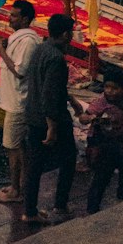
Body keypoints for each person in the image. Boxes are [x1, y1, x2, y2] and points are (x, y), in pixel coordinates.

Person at [22, 12, 85, 225]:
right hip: (51, 119)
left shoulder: (41, 49)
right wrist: (52, 126)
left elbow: (50, 86)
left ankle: (29, 210)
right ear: (66, 34)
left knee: (34, 165)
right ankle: (60, 205)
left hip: (32, 114)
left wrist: (73, 101)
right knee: (68, 159)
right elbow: (50, 94)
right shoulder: (57, 59)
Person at [0, 0, 42, 205]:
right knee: (18, 146)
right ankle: (18, 183)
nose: (9, 18)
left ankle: (16, 190)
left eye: (14, 16)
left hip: (19, 103)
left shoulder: (28, 41)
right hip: (13, 100)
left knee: (13, 146)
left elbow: (19, 71)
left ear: (25, 19)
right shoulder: (18, 39)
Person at [83, 77, 123, 214]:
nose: (109, 91)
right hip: (104, 145)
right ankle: (92, 210)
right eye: (107, 87)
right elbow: (83, 118)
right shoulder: (101, 102)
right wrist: (91, 118)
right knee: (102, 176)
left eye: (114, 88)